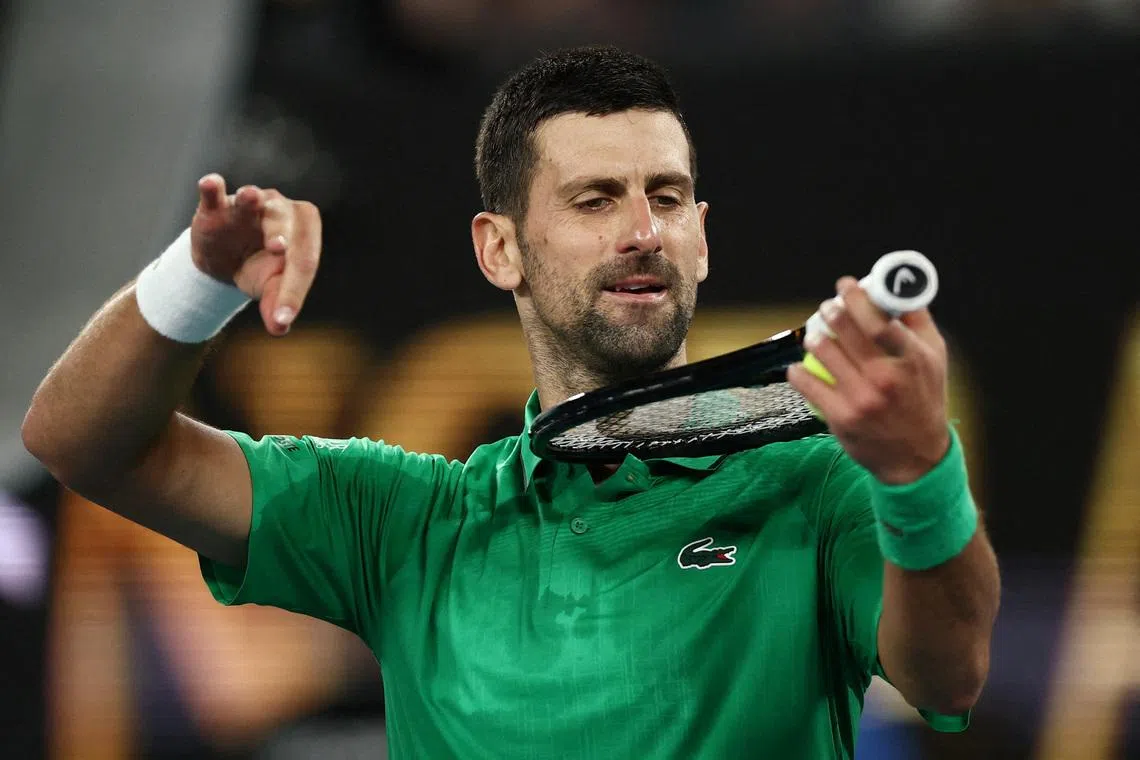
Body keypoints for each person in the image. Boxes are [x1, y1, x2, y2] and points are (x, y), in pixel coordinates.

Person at [23, 45, 1001, 759]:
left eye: (666, 197)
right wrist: (198, 275)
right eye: (594, 200)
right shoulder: (406, 522)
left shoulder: (814, 488)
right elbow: (81, 443)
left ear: (702, 236)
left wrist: (920, 474)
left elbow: (949, 675)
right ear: (500, 249)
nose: (642, 232)